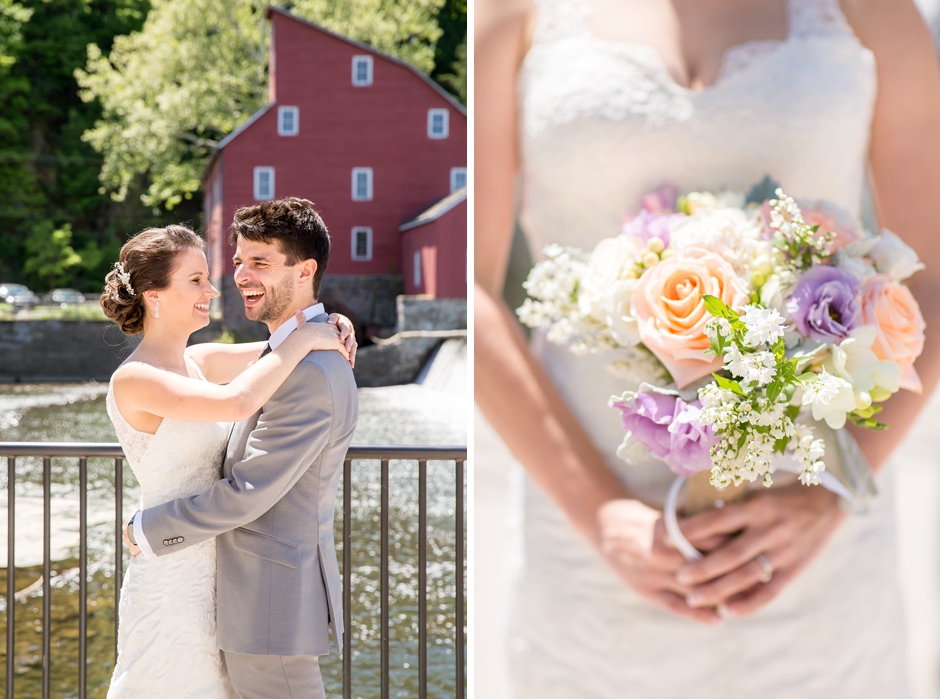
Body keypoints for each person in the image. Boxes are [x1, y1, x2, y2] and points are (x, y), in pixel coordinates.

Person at [475, 0, 940, 696]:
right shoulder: (510, 11)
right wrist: (601, 513)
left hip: (816, 550)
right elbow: (466, 288)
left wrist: (838, 493)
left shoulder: (875, 11)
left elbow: (933, 278)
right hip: (590, 543)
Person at [103, 199, 357, 698]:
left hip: (218, 573)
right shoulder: (136, 377)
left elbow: (272, 353)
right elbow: (241, 398)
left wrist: (330, 324)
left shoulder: (198, 359)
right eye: (196, 280)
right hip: (173, 567)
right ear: (155, 296)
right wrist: (309, 333)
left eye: (250, 263)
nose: (218, 287)